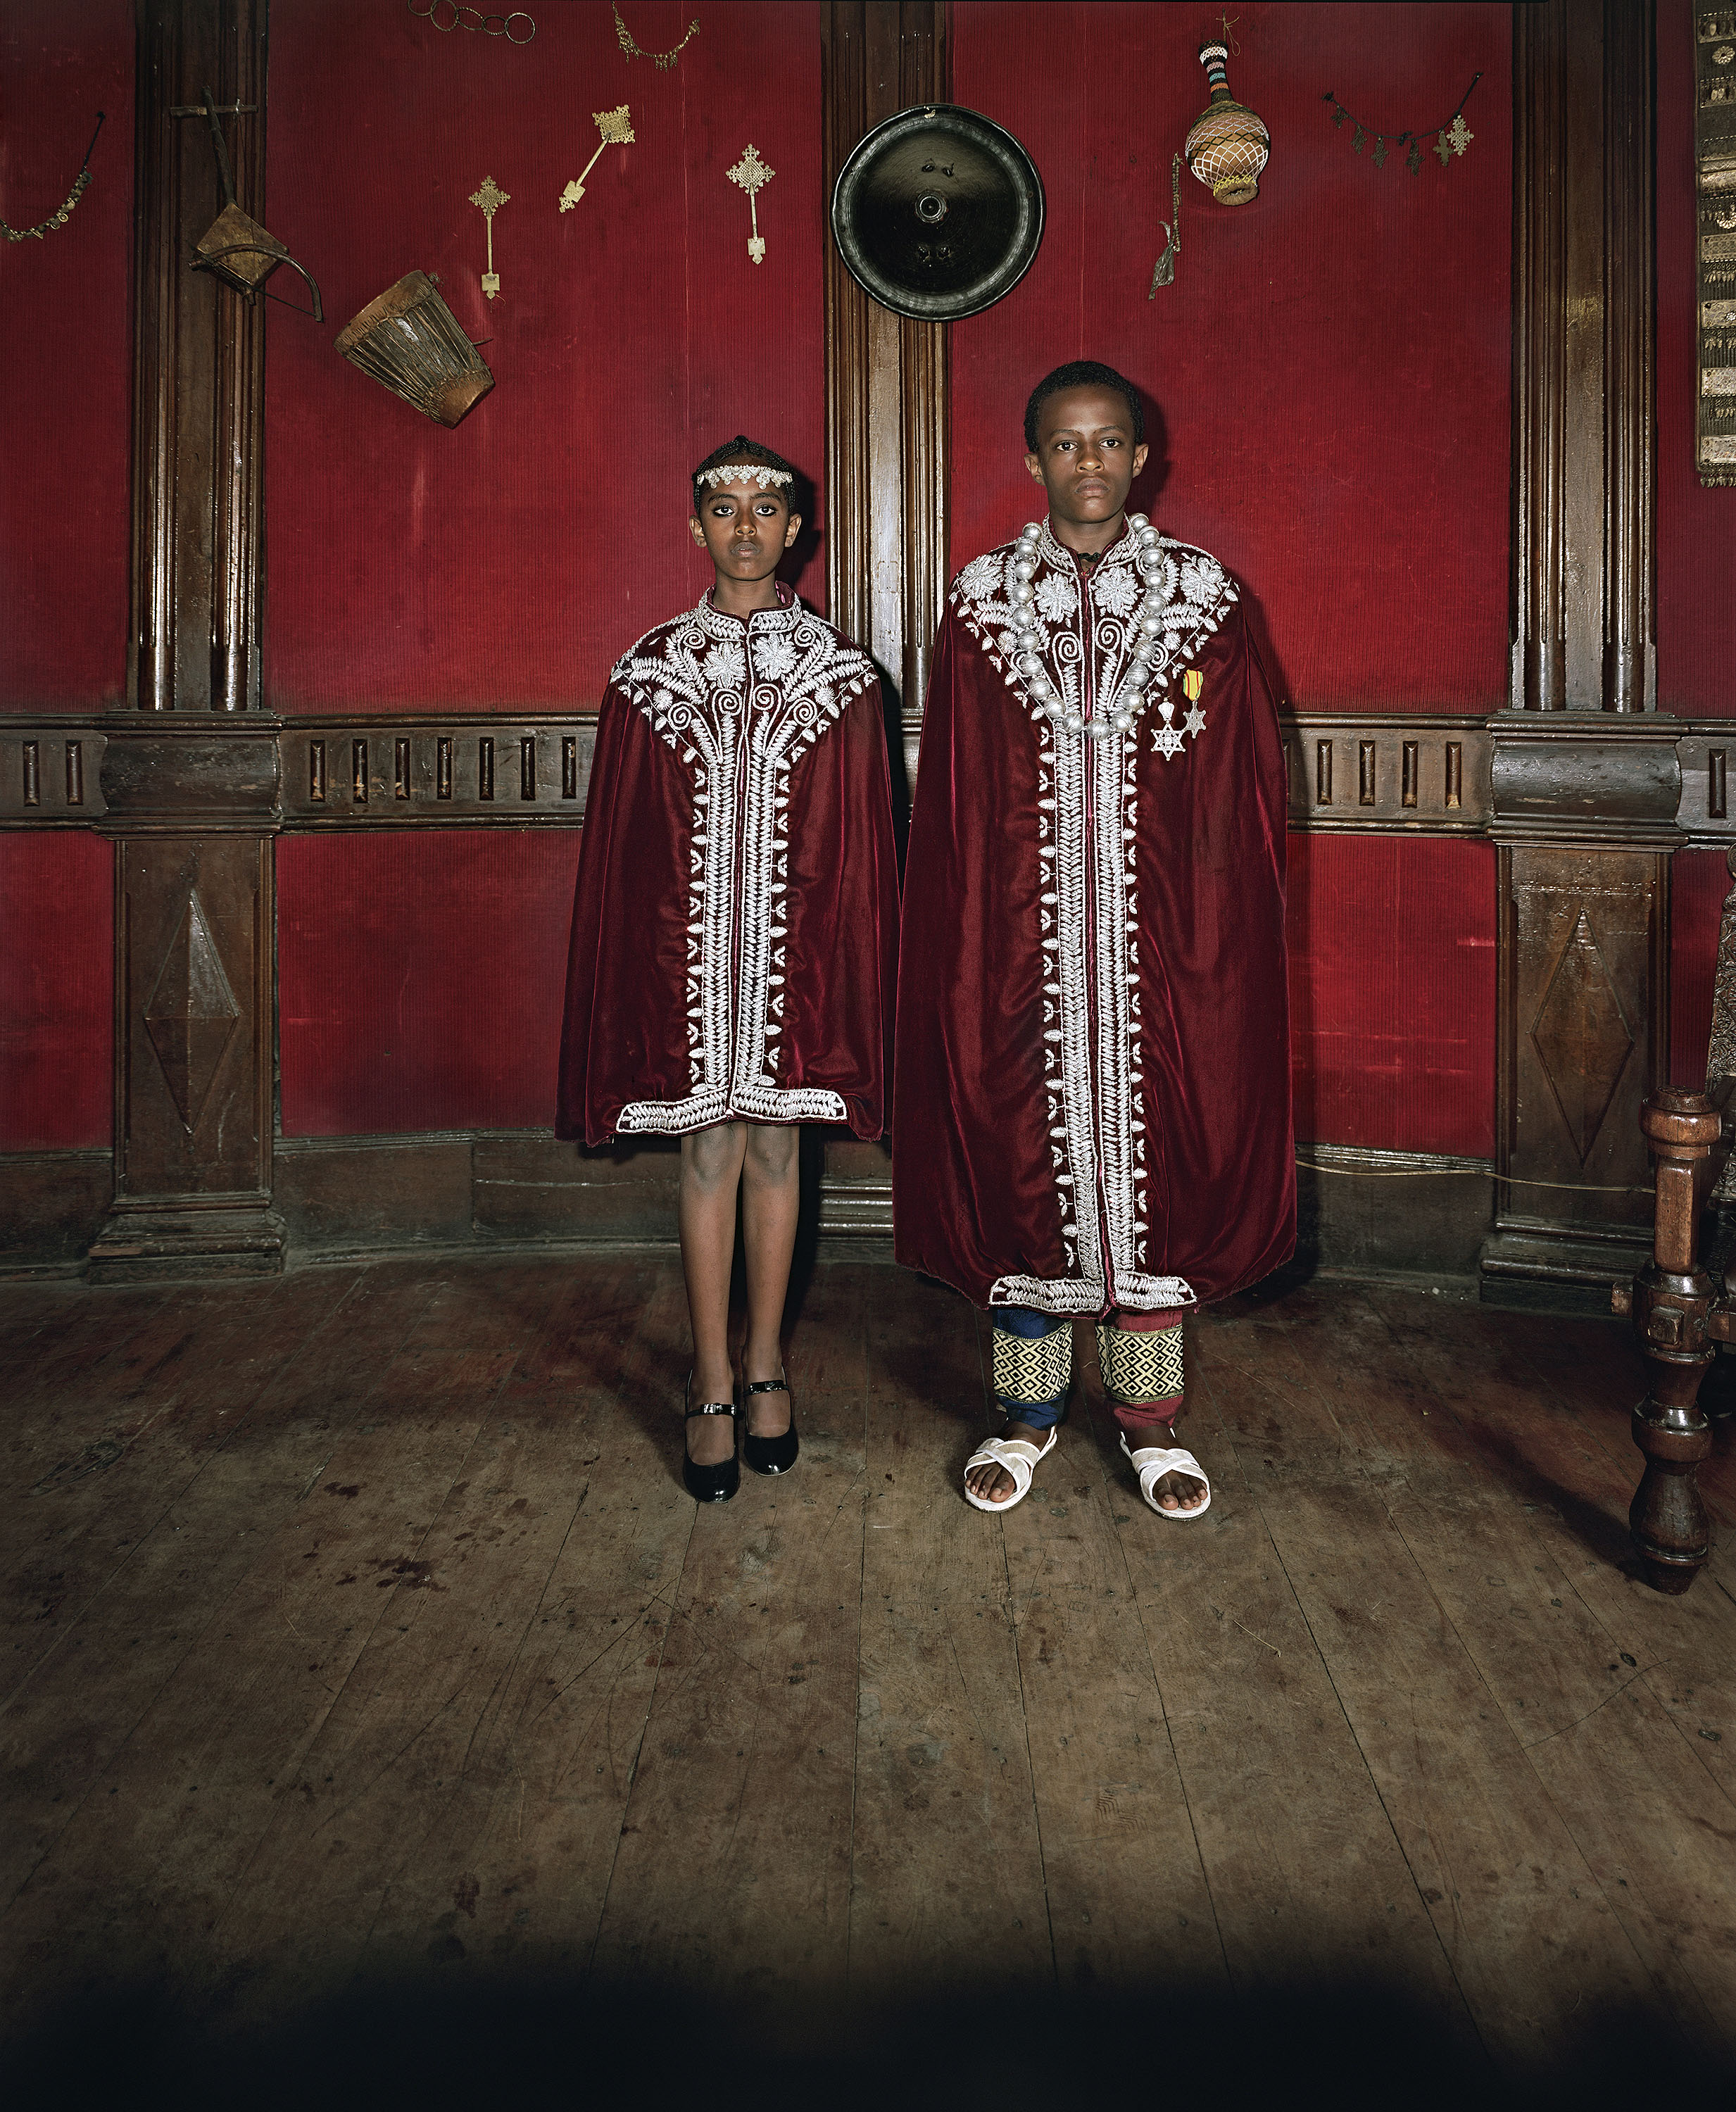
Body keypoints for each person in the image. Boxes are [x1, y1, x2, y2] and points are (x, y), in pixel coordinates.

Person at [893, 360, 1293, 1519]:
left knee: (1156, 1174)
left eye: (1107, 442)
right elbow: (960, 799)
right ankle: (1022, 1414)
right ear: (1031, 462)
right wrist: (977, 949)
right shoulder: (980, 604)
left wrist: (1203, 935)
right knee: (1026, 1167)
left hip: (1162, 943)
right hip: (1017, 946)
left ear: (1140, 456)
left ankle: (1150, 1424)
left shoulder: (1202, 599)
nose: (1088, 464)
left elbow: (1237, 790)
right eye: (1064, 445)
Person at [557, 436, 898, 1504]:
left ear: (796, 529)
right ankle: (708, 1374)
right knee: (706, 1153)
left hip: (795, 965)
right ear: (694, 526)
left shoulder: (843, 676)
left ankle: (766, 1362)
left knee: (779, 1151)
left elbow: (860, 844)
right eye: (723, 508)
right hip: (693, 963)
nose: (745, 527)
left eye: (766, 509)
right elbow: (627, 849)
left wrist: (839, 969)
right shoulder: (648, 669)